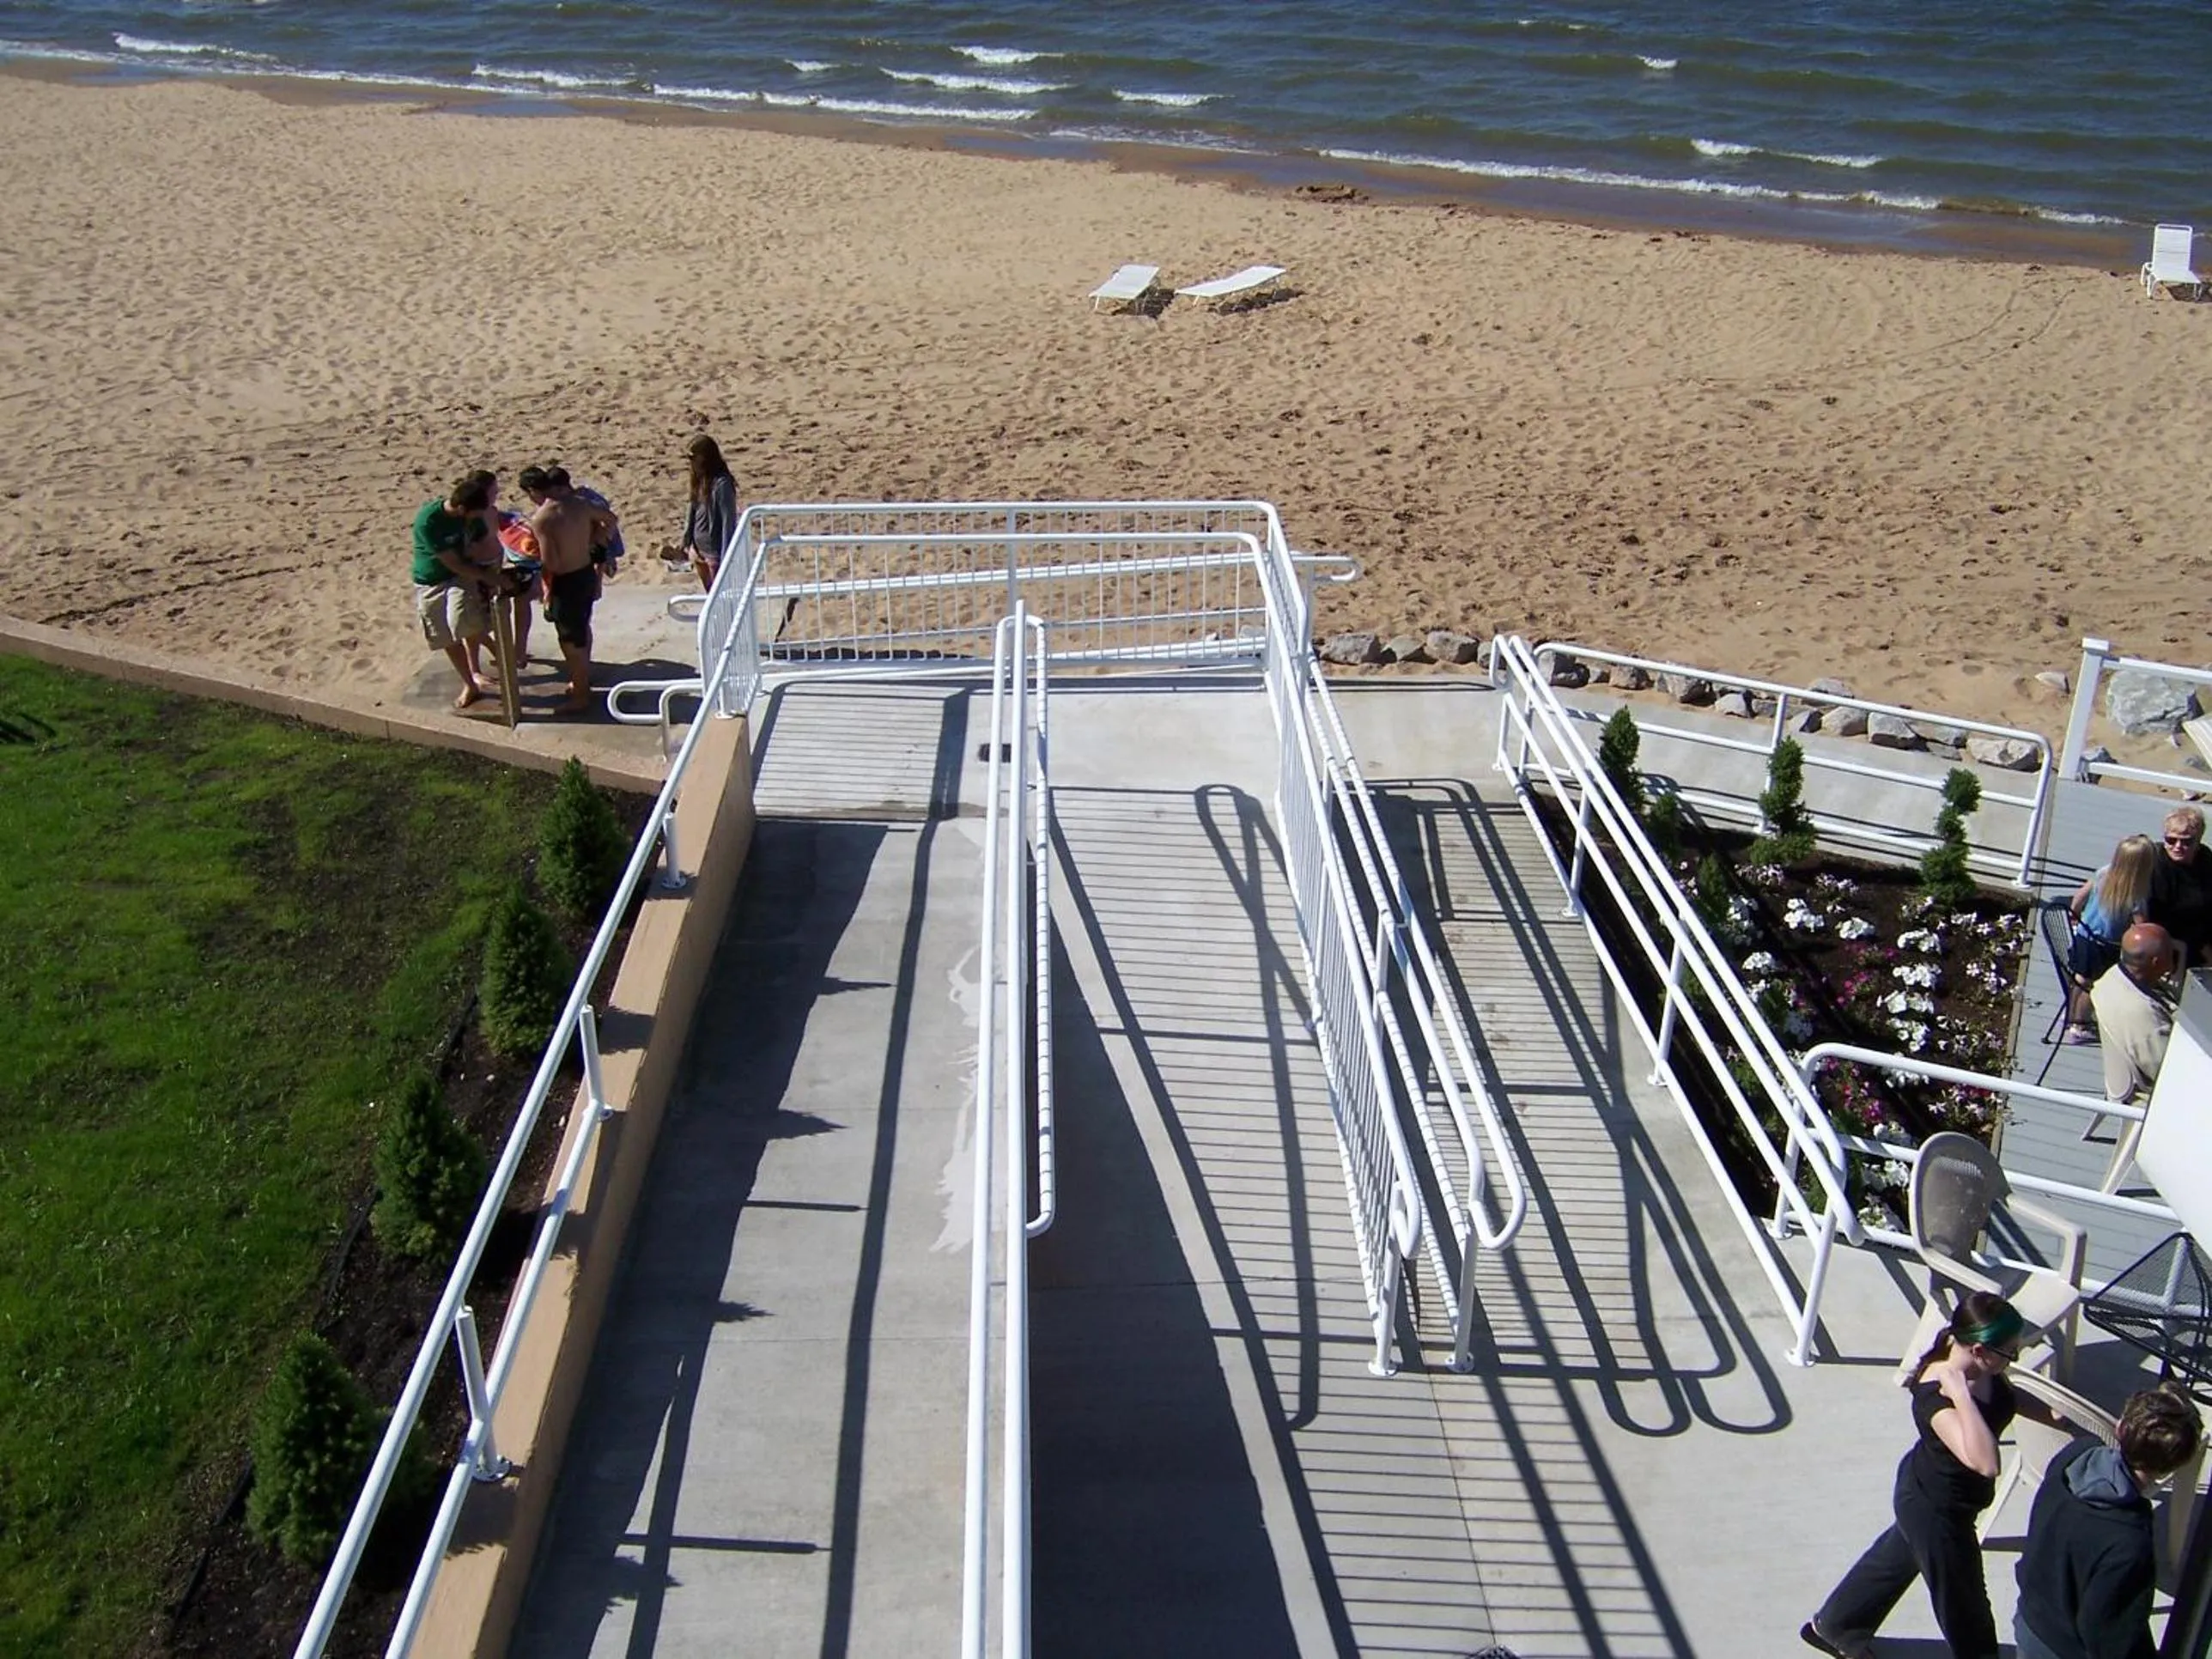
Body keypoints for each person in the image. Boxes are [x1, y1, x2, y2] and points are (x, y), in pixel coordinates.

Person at [1802, 1292, 2058, 1659]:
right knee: (1965, 1604)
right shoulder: (1937, 1396)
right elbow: (1985, 1462)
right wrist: (1962, 1397)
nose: (2014, 1359)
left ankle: (1836, 1625)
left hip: (1934, 1493)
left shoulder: (1986, 1371)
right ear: (1980, 1351)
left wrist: (2061, 1415)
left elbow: (2009, 1400)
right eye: (2010, 1353)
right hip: (1936, 1508)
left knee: (1892, 1562)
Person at [2014, 1382, 2204, 1659]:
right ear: (2173, 1467)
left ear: (2119, 1428)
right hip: (2066, 1649)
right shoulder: (2128, 1543)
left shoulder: (2074, 1456)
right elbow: (2112, 1635)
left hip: (2031, 1621)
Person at [528, 471, 620, 714]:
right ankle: (582, 681)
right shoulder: (582, 504)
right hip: (585, 574)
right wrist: (596, 541)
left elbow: (552, 563)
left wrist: (544, 584)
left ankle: (581, 695)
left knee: (569, 641)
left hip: (566, 581)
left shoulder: (543, 519)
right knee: (582, 629)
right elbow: (611, 519)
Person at [410, 470, 502, 710]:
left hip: (460, 578)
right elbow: (453, 562)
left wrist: (492, 572)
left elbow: (483, 543)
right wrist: (490, 577)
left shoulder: (473, 517)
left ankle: (495, 648)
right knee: (445, 636)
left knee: (462, 619)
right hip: (432, 579)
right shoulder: (429, 521)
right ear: (462, 509)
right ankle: (470, 683)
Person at [2063, 835, 2159, 1041]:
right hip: (2106, 946)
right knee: (2094, 985)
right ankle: (2080, 1025)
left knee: (2080, 977)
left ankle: (2070, 1015)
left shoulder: (2103, 872)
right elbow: (2142, 926)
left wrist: (2075, 914)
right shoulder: (2136, 893)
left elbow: (2080, 896)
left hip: (2084, 935)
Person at [2089, 921, 2180, 1107]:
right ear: (2157, 962)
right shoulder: (2144, 1016)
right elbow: (2171, 1074)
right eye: (2172, 955)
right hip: (2156, 1098)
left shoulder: (2111, 978)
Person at [2148, 805, 2212, 966]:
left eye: (2187, 842)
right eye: (2171, 840)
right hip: (2168, 943)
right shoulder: (2154, 861)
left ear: (2198, 841)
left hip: (2203, 938)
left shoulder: (2205, 858)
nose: (2177, 846)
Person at [678, 433, 738, 590]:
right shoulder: (699, 479)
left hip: (715, 553)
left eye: (693, 457)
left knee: (720, 599)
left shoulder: (722, 484)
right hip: (699, 551)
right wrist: (686, 539)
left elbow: (728, 522)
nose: (690, 463)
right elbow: (692, 507)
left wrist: (727, 558)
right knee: (710, 594)